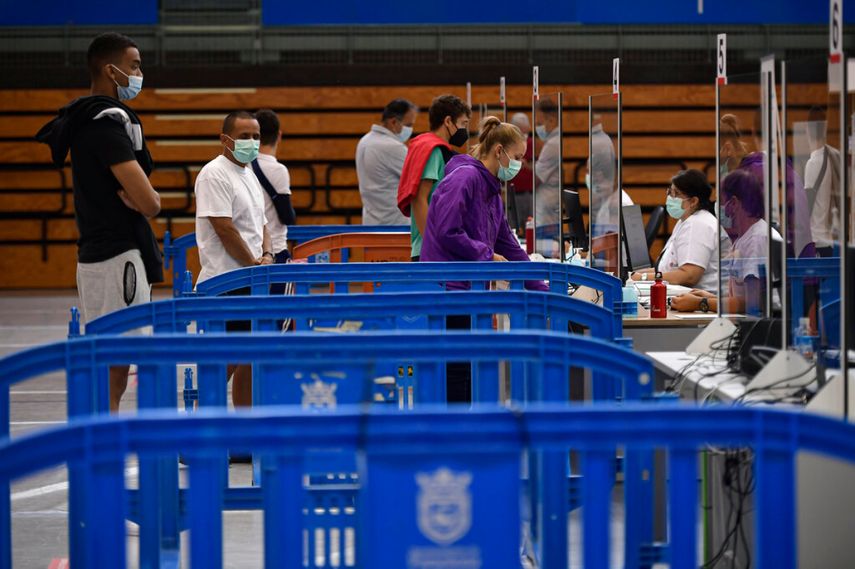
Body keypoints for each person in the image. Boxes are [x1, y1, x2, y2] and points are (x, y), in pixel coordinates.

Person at [36, 32, 162, 413]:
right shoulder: (105, 124)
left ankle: (104, 427)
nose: (139, 74)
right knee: (117, 361)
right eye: (134, 66)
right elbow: (150, 202)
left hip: (95, 255)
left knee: (109, 359)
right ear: (111, 70)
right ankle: (105, 432)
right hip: (118, 257)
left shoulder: (83, 119)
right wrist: (149, 200)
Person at [421, 116, 548, 403]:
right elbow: (447, 231)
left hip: (469, 288)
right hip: (448, 288)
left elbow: (510, 246)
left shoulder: (492, 192)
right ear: (499, 151)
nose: (520, 165)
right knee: (457, 367)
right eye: (518, 157)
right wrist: (486, 254)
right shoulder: (465, 178)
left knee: (467, 364)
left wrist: (542, 286)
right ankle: (456, 424)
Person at [195, 111, 272, 409]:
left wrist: (267, 255)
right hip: (226, 281)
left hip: (252, 279)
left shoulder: (248, 172)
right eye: (244, 136)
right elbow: (224, 228)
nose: (252, 142)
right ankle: (200, 426)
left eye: (256, 136)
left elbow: (263, 223)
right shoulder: (214, 174)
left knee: (250, 357)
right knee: (226, 359)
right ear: (225, 139)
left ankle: (243, 426)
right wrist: (252, 265)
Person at [671, 169, 781, 314]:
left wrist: (701, 303)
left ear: (733, 203)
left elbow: (753, 303)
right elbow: (741, 297)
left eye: (720, 201)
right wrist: (709, 297)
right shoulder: (744, 237)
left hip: (765, 322)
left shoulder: (757, 240)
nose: (717, 206)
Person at [398, 94, 471, 261]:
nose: (465, 130)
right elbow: (419, 199)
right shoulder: (433, 151)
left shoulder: (428, 146)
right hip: (431, 250)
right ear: (448, 121)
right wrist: (432, 244)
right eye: (463, 124)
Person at [631, 170, 722, 292]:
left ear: (693, 201)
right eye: (670, 192)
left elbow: (689, 275)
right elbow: (668, 269)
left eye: (676, 194)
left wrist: (644, 278)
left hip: (700, 298)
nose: (670, 198)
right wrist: (636, 275)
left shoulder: (698, 224)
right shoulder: (685, 221)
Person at [356, 98, 418, 226]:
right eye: (408, 125)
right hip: (395, 225)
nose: (410, 130)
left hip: (370, 223)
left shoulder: (364, 141)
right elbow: (419, 182)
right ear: (393, 122)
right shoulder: (393, 147)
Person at [252, 109, 295, 271]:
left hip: (252, 250)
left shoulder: (243, 166)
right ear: (279, 135)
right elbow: (287, 216)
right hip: (275, 249)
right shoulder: (278, 170)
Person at [803, 105, 842, 257]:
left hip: (816, 241)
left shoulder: (813, 163)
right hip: (829, 239)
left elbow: (807, 207)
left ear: (808, 129)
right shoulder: (832, 157)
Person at [509, 112, 534, 228]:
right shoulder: (509, 144)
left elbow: (539, 166)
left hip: (530, 192)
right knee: (513, 225)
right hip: (514, 192)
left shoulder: (532, 144)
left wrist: (527, 165)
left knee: (531, 226)